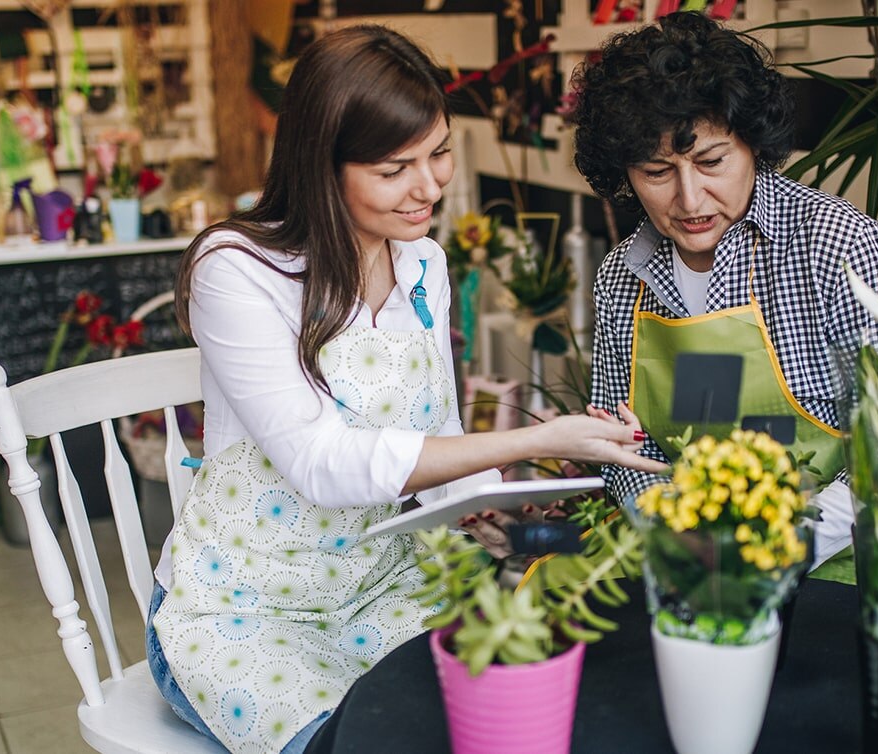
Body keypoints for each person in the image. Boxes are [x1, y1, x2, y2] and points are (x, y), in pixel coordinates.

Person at [147, 25, 665, 754]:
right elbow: (322, 462)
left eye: (439, 153)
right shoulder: (237, 269)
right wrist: (542, 438)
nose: (430, 186)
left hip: (390, 588)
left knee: (519, 723)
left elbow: (441, 430)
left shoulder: (422, 263)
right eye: (396, 168)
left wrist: (479, 507)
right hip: (246, 612)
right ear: (321, 162)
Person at [568, 11, 878, 578]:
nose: (690, 198)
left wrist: (778, 550)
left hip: (841, 562)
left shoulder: (840, 249)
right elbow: (627, 449)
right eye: (658, 172)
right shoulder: (622, 276)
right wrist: (672, 534)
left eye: (712, 162)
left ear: (753, 144)